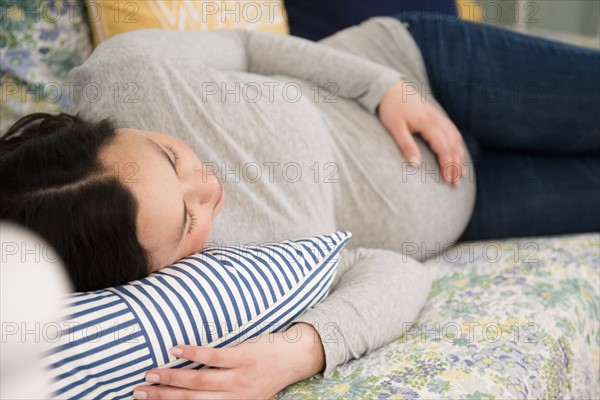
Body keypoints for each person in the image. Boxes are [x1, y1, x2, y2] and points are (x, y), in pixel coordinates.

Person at [0, 13, 598, 399]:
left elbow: (248, 47)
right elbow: (394, 269)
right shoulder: (217, 284)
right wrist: (303, 350)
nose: (207, 184)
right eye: (187, 220)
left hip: (425, 71)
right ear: (145, 273)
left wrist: (382, 87)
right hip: (476, 204)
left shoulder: (126, 74)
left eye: (170, 156)